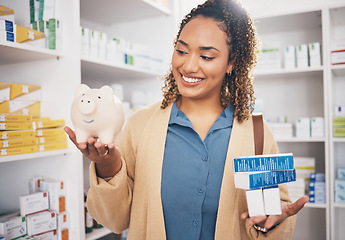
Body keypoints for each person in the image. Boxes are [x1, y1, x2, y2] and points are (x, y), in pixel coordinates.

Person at [65, 0, 309, 239]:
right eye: (181, 51)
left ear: (231, 62)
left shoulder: (257, 133)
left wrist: (270, 222)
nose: (188, 65)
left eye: (206, 57)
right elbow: (115, 221)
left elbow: (273, 218)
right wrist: (109, 168)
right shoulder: (141, 125)